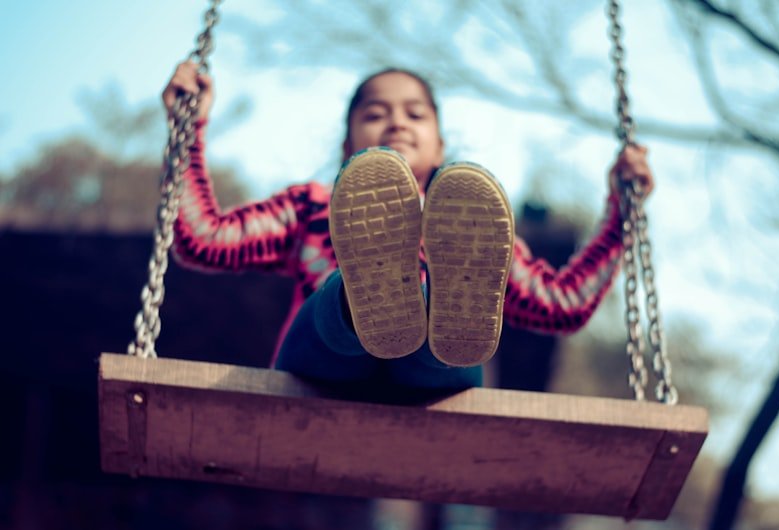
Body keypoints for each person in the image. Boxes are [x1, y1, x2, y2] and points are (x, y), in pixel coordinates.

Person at [163, 61, 654, 390]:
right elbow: (203, 239)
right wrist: (189, 128)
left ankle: (441, 310)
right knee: (334, 311)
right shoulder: (313, 208)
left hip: (431, 388)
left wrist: (622, 213)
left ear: (440, 146)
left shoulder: (474, 229)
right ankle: (361, 302)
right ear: (346, 145)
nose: (396, 122)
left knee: (444, 335)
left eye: (414, 114)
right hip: (319, 377)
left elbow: (560, 305)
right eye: (376, 113)